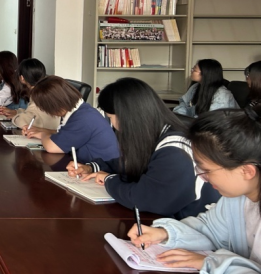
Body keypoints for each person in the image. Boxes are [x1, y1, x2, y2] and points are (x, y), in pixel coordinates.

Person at [127, 110, 260, 274]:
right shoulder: (236, 198)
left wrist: (211, 264)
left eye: (206, 170)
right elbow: (210, 230)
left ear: (247, 171)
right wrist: (165, 233)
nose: (202, 177)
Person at [68, 78, 220, 218]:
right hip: (166, 223)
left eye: (111, 117)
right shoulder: (155, 134)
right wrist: (92, 168)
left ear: (126, 116)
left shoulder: (175, 151)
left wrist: (108, 179)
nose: (112, 124)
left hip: (191, 226)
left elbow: (143, 199)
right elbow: (129, 164)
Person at [24, 76, 119, 163]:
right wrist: (38, 130)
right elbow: (65, 133)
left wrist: (42, 134)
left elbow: (51, 147)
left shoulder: (83, 118)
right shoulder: (82, 110)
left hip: (103, 170)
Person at [0, 58, 60, 130]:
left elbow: (23, 122)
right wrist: (16, 112)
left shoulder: (37, 94)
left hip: (44, 132)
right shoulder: (46, 90)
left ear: (22, 78)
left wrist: (15, 117)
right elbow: (34, 112)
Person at [174, 59, 238, 118]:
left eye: (194, 70)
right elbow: (184, 103)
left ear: (205, 74)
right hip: (196, 122)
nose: (191, 71)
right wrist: (179, 115)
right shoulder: (195, 87)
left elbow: (213, 118)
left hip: (217, 125)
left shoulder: (222, 95)